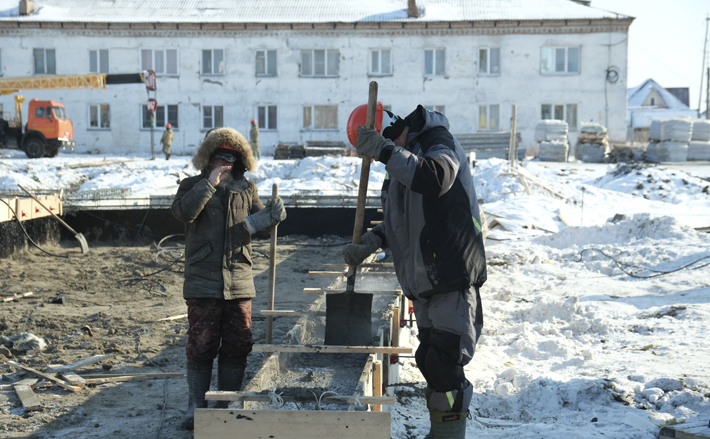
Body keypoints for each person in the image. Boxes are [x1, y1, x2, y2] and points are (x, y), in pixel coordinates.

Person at [344, 105, 487, 439]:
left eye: (377, 149)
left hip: (451, 272)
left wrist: (384, 151)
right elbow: (400, 220)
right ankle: (441, 431)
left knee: (444, 362)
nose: (377, 159)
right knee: (428, 359)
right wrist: (372, 241)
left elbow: (436, 178)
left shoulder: (438, 141)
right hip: (423, 279)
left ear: (387, 135)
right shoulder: (398, 162)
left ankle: (449, 435)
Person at [171, 127, 287, 430]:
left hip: (238, 280)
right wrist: (210, 184)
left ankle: (226, 403)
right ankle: (195, 405)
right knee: (201, 342)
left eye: (232, 158)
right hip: (202, 278)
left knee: (238, 342)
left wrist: (273, 215)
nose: (226, 163)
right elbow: (183, 213)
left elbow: (259, 221)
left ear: (240, 160)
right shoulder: (191, 185)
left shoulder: (246, 188)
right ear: (209, 158)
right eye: (220, 157)